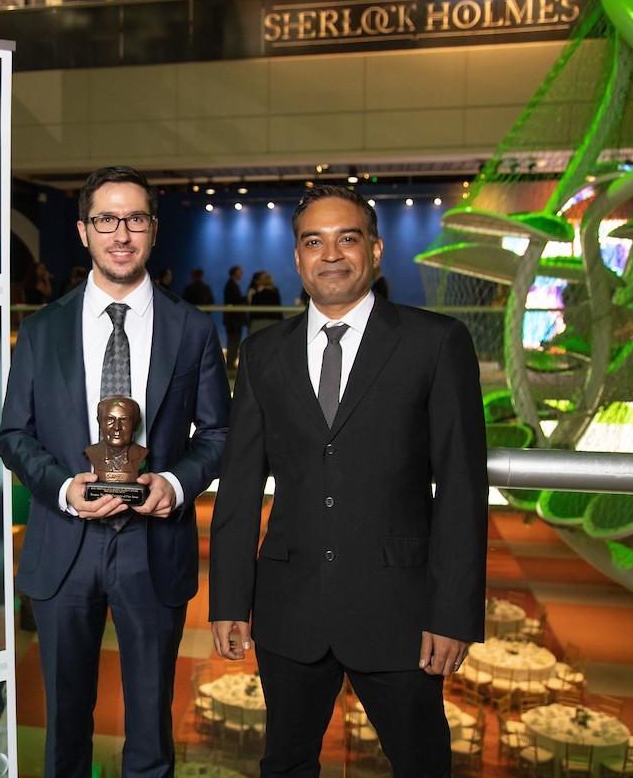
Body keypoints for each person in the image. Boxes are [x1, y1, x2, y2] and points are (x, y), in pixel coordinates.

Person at [208, 184, 488, 777]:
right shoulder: (263, 353)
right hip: (289, 610)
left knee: (422, 764)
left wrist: (453, 612)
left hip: (401, 612)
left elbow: (462, 488)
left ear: (377, 250)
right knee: (284, 764)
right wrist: (230, 598)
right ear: (297, 257)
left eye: (347, 238)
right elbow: (238, 486)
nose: (330, 254)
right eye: (314, 241)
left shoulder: (435, 343)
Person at [0, 165, 230, 778]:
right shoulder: (43, 330)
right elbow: (12, 434)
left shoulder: (193, 328)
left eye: (134, 219)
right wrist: (65, 488)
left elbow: (218, 434)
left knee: (151, 728)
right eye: (106, 219)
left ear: (153, 230)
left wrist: (174, 484)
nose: (120, 233)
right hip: (64, 545)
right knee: (64, 727)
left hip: (154, 547)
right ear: (83, 231)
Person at [83, 395, 149, 483]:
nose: (117, 427)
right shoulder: (91, 452)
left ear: (136, 424)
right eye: (110, 419)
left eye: (124, 420)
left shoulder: (141, 454)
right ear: (100, 422)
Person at [223, 265, 247, 367]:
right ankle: (230, 365)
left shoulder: (232, 284)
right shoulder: (231, 285)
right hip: (233, 320)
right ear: (235, 273)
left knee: (233, 342)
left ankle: (230, 364)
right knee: (233, 342)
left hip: (233, 320)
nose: (242, 273)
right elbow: (234, 300)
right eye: (240, 271)